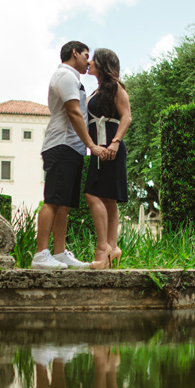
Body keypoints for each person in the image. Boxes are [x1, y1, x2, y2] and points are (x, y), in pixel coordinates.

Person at [33, 41, 110, 270]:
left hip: (72, 148)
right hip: (62, 145)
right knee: (53, 201)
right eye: (86, 55)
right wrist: (92, 145)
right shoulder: (65, 76)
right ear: (74, 53)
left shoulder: (73, 79)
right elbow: (74, 112)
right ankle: (40, 255)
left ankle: (58, 255)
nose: (89, 61)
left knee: (64, 204)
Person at [84, 49, 132, 270]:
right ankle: (112, 249)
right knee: (107, 199)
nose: (89, 62)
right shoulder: (97, 91)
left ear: (103, 64)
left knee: (95, 195)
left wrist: (115, 142)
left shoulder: (115, 87)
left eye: (94, 58)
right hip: (98, 149)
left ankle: (103, 248)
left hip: (111, 148)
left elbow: (127, 116)